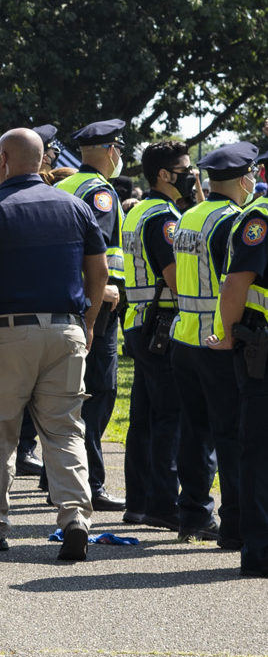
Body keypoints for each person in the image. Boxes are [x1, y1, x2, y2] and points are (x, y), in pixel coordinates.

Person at [0, 127, 103, 561]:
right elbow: (99, 271)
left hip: (7, 334)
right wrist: (88, 322)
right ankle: (75, 518)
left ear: (3, 160)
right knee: (65, 429)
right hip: (66, 330)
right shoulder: (76, 206)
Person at [170, 143, 255, 543]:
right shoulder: (232, 221)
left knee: (193, 431)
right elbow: (231, 286)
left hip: (184, 338)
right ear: (243, 180)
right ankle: (236, 523)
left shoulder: (189, 216)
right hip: (217, 341)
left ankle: (193, 515)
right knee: (230, 434)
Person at [54, 119, 128, 510]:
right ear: (109, 150)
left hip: (64, 302)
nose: (119, 155)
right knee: (98, 392)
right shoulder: (100, 192)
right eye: (118, 148)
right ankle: (91, 483)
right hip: (96, 304)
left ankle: (57, 477)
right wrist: (95, 304)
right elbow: (92, 254)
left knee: (67, 394)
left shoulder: (63, 185)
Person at [119, 141, 191, 530]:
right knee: (170, 418)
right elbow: (177, 279)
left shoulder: (139, 211)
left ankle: (139, 502)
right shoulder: (164, 218)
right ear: (164, 175)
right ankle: (164, 505)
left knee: (144, 418)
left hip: (139, 323)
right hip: (161, 325)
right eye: (185, 169)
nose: (191, 176)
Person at [213, 155, 268, 578]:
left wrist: (228, 334)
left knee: (259, 451)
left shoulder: (258, 216)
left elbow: (236, 283)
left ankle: (260, 550)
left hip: (259, 349)